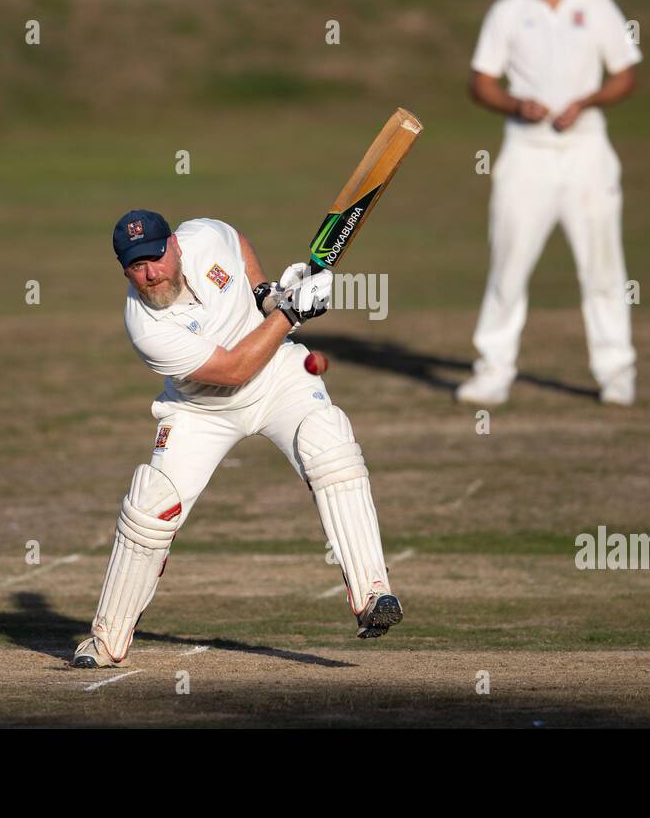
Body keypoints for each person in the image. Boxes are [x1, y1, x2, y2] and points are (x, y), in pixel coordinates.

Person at [72, 210, 402, 668]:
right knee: (151, 505)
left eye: (156, 258)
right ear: (123, 269)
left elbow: (239, 242)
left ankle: (374, 595)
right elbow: (232, 371)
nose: (151, 274)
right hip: (202, 410)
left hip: (278, 379)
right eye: (136, 266)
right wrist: (290, 312)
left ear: (175, 245)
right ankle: (106, 640)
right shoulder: (145, 327)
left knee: (329, 443)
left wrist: (266, 294)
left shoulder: (204, 235)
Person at [456, 0, 642, 407]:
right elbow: (481, 82)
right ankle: (493, 371)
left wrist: (587, 101)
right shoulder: (508, 11)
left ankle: (616, 372)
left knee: (603, 267)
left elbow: (626, 74)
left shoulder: (597, 5)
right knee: (509, 265)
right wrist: (518, 105)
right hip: (527, 153)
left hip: (586, 151)